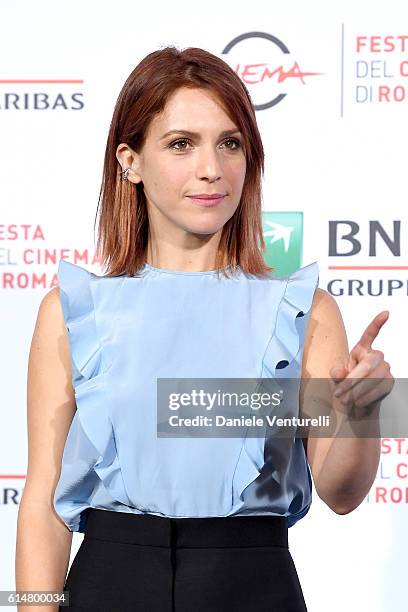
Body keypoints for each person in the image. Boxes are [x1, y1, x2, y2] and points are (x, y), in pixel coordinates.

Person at [15, 46, 394, 612]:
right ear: (130, 161)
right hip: (109, 584)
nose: (211, 168)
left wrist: (362, 411)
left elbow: (341, 494)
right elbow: (44, 502)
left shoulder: (304, 311)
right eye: (181, 143)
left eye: (230, 143)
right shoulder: (74, 311)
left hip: (254, 585)